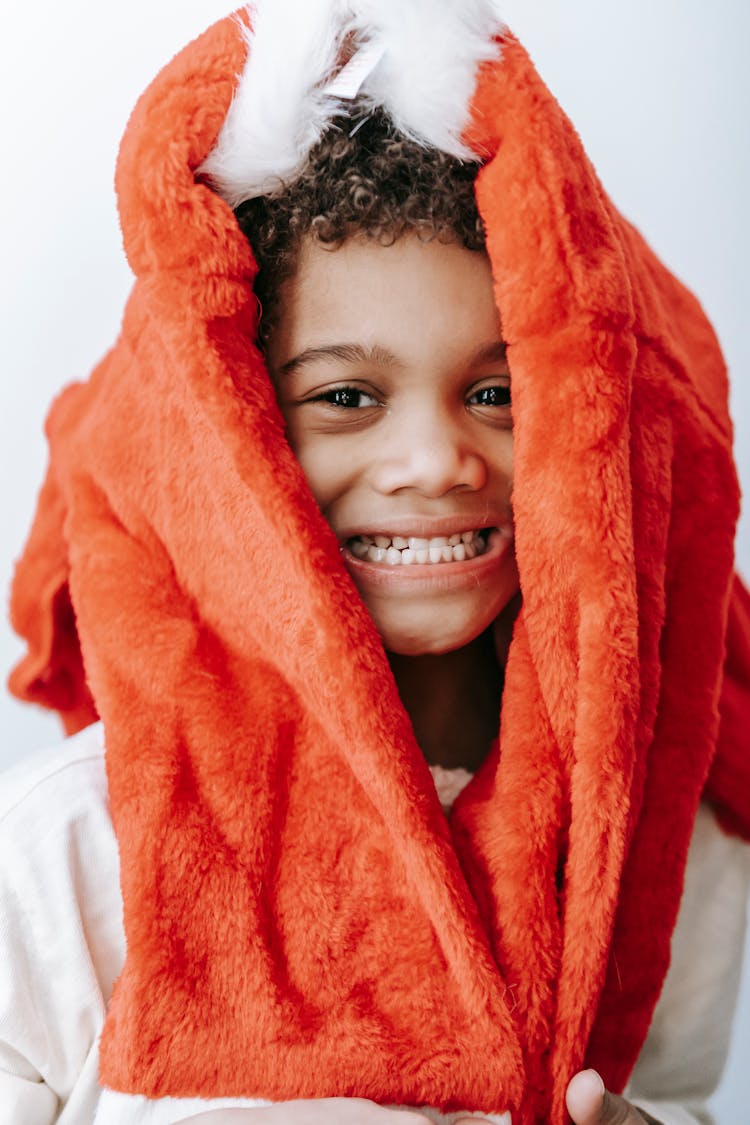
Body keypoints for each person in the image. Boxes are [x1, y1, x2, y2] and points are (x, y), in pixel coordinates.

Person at [2, 2, 749, 1124]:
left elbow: (677, 1091)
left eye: (497, 393)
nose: (435, 461)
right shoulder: (69, 852)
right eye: (347, 397)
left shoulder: (660, 848)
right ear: (239, 433)